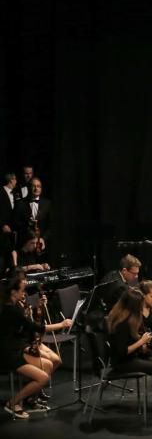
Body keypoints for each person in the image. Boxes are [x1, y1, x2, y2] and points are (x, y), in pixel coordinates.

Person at [0, 275, 73, 419]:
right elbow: (34, 327)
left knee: (48, 365)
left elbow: (25, 324)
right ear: (13, 292)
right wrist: (61, 325)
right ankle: (13, 402)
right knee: (43, 377)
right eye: (22, 290)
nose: (24, 293)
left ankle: (30, 398)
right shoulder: (11, 310)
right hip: (8, 353)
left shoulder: (15, 305)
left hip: (16, 347)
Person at [105, 288, 152, 420]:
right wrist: (141, 341)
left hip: (133, 355)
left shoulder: (130, 317)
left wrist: (143, 343)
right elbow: (122, 352)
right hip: (123, 362)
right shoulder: (121, 323)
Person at [13, 177, 51, 248]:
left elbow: (52, 224)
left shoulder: (47, 204)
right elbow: (16, 223)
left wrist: (43, 239)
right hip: (25, 244)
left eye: (38, 186)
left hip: (43, 244)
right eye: (34, 186)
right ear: (28, 188)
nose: (36, 189)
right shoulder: (20, 204)